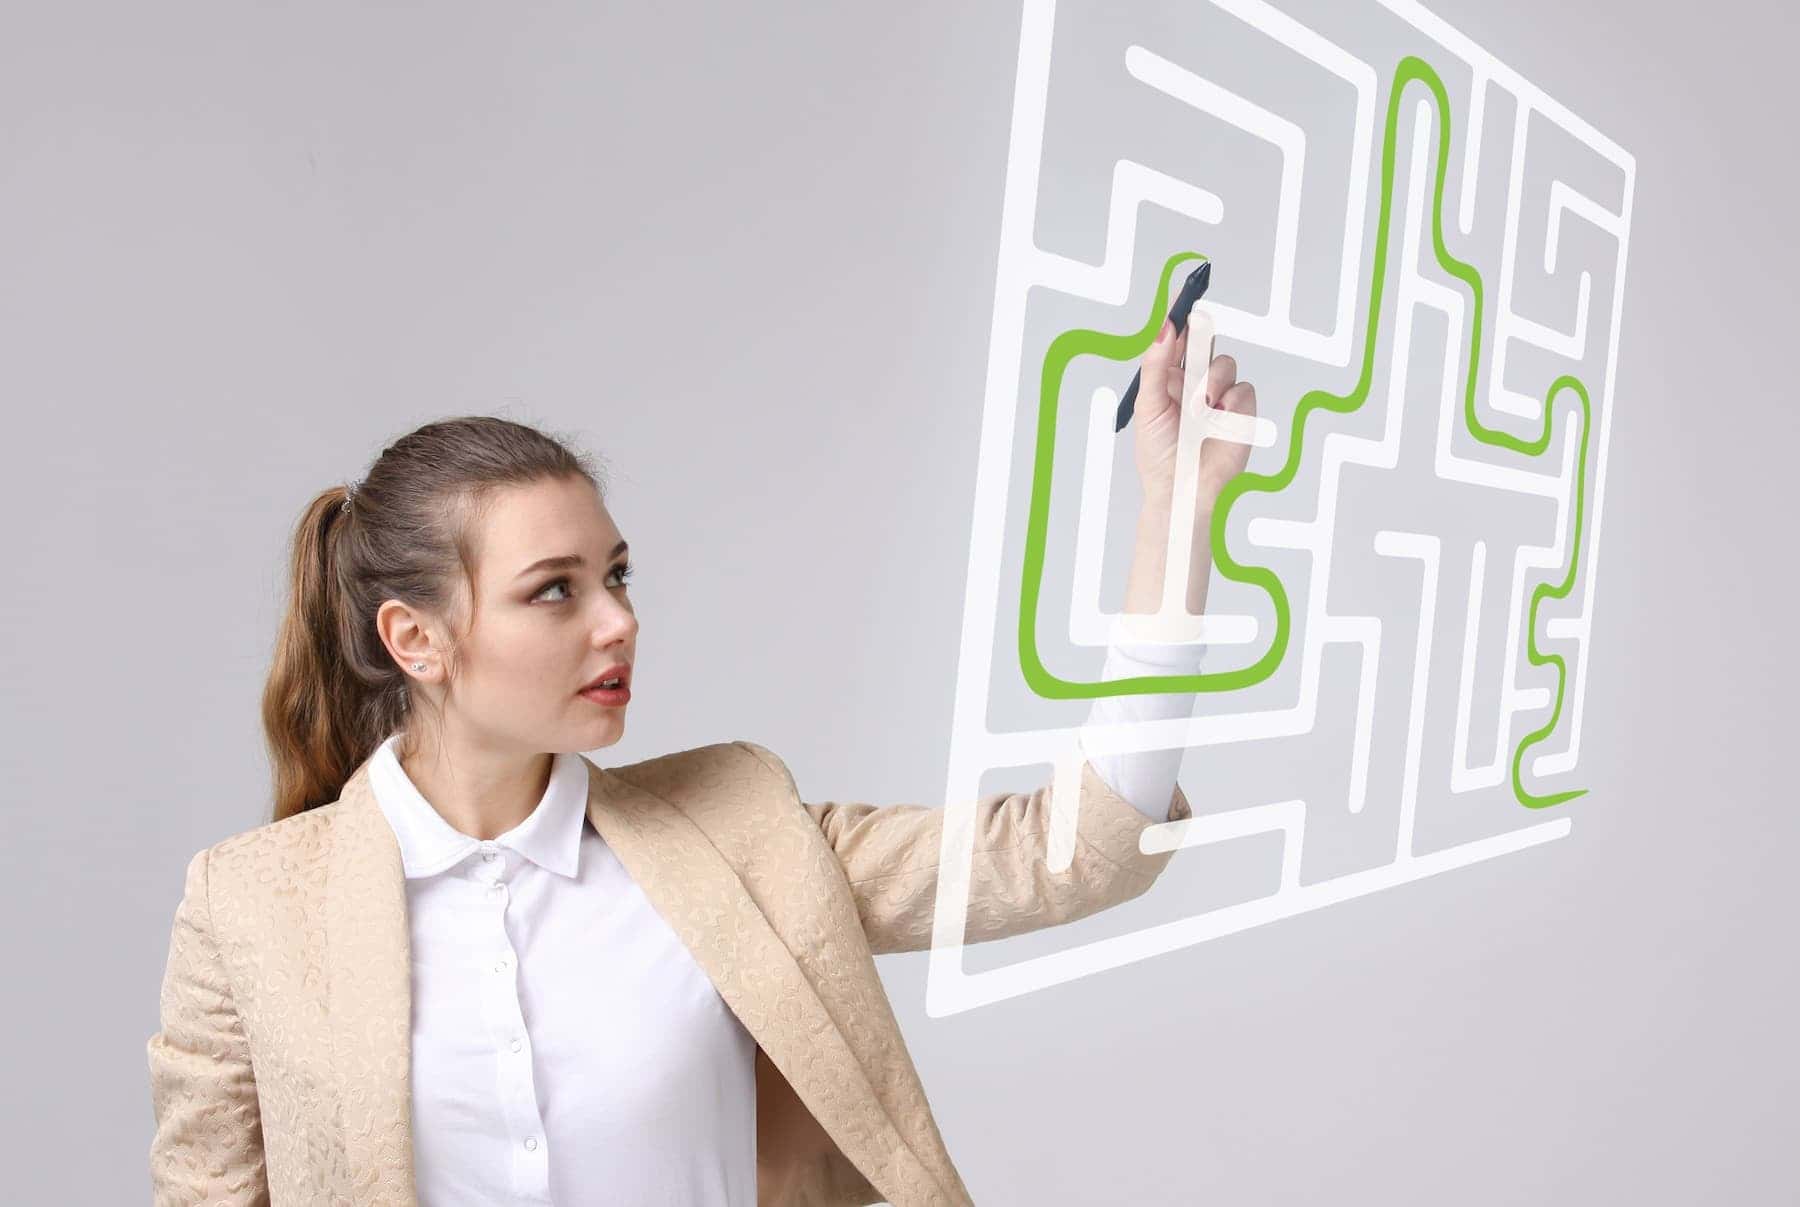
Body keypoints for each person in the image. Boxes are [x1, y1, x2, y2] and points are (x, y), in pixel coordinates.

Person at [145, 316, 1256, 1205]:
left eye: (616, 575)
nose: (617, 621)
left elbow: (1080, 852)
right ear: (416, 639)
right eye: (555, 589)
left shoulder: (740, 829)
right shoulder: (246, 905)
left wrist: (1176, 506)